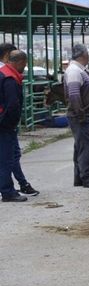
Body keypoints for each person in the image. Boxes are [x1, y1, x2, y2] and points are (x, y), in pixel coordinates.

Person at [0, 50, 39, 202]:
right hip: (5, 126)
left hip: (3, 123)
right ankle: (8, 192)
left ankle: (8, 188)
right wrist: (10, 123)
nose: (25, 67)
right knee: (6, 159)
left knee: (7, 157)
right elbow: (12, 105)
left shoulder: (3, 73)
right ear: (20, 62)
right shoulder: (10, 78)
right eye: (25, 63)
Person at [64, 44, 89, 189]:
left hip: (83, 116)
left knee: (80, 146)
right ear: (84, 55)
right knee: (86, 146)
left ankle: (79, 177)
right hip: (81, 117)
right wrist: (80, 113)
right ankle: (87, 178)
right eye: (88, 54)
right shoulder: (74, 71)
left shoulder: (78, 70)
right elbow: (74, 94)